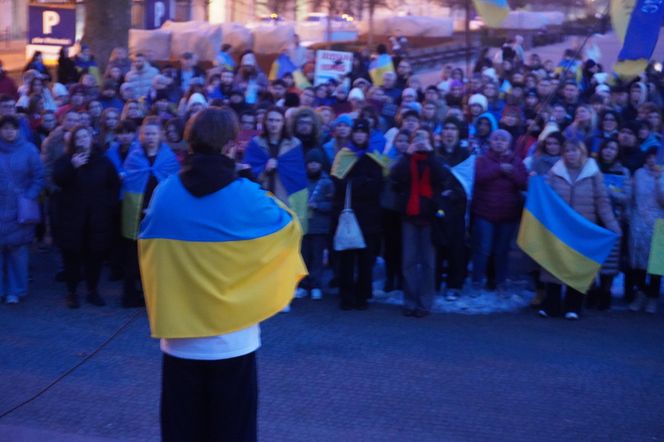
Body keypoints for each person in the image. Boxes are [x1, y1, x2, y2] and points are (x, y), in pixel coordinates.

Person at [138, 107, 305, 442]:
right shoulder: (247, 195)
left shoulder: (165, 192)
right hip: (233, 340)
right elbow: (291, 228)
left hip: (180, 340)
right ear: (231, 145)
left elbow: (148, 247)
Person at [539, 140, 621, 319]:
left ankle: (573, 306)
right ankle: (551, 304)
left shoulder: (593, 173)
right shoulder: (554, 172)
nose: (570, 154)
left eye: (574, 150)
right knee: (554, 265)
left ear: (582, 152)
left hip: (583, 229)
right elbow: (545, 198)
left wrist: (612, 225)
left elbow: (602, 201)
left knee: (578, 266)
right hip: (559, 228)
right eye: (567, 150)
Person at [52, 125, 120, 308]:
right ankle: (72, 292)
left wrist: (107, 205)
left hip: (97, 218)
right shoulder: (66, 160)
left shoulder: (103, 161)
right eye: (78, 138)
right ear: (73, 141)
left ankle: (92, 290)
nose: (82, 140)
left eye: (85, 136)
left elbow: (114, 185)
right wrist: (72, 168)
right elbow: (57, 180)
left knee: (95, 256)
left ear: (91, 139)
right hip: (72, 218)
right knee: (72, 257)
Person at [121, 118, 180, 307]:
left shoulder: (169, 158)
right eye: (147, 133)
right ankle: (130, 294)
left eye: (154, 133)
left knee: (157, 256)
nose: (151, 137)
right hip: (136, 211)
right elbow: (130, 182)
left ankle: (153, 295)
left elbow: (172, 187)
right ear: (142, 135)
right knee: (132, 256)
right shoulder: (134, 157)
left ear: (161, 135)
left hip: (159, 213)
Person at [390, 129, 448, 317]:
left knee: (428, 263)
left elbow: (441, 177)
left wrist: (430, 153)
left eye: (424, 138)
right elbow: (396, 177)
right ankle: (410, 301)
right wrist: (408, 154)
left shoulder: (436, 160)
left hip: (429, 217)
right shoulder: (406, 160)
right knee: (409, 261)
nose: (421, 141)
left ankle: (425, 303)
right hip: (409, 216)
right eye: (417, 138)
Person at [331, 119, 385, 310]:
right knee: (346, 256)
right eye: (357, 132)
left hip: (369, 215)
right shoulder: (343, 156)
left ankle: (362, 295)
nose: (360, 136)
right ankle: (346, 295)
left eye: (363, 133)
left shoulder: (374, 157)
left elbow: (378, 184)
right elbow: (338, 183)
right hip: (348, 212)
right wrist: (361, 183)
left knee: (365, 258)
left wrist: (357, 184)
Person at [471, 129, 527, 295]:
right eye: (496, 139)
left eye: (503, 140)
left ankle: (501, 282)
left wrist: (512, 172)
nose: (499, 142)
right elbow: (479, 177)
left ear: (508, 143)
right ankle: (476, 281)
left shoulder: (516, 161)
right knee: (483, 249)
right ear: (490, 142)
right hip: (485, 212)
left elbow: (523, 183)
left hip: (508, 214)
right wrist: (499, 169)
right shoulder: (482, 160)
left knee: (502, 251)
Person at [0, 115, 44, 304]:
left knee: (18, 252)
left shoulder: (29, 150)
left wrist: (28, 196)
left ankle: (17, 290)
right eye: (5, 128)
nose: (9, 131)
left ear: (18, 130)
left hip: (20, 209)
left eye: (13, 128)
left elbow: (39, 176)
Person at [589, 138, 631, 310]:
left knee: (610, 260)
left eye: (613, 149)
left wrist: (607, 192)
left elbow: (626, 197)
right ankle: (591, 290)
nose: (609, 151)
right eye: (606, 148)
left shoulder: (623, 171)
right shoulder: (591, 168)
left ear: (617, 152)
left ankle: (606, 291)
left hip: (613, 219)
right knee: (591, 257)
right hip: (592, 218)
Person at [628, 148, 664, 314]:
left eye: (655, 158)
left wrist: (659, 182)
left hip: (659, 223)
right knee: (637, 261)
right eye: (650, 157)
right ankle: (641, 292)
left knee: (656, 263)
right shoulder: (638, 174)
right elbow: (632, 196)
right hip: (638, 222)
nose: (652, 161)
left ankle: (653, 297)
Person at [296, 148, 334, 300]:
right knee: (303, 257)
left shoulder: (327, 182)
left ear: (321, 164)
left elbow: (332, 204)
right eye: (310, 163)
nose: (313, 166)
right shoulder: (300, 181)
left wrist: (319, 206)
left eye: (316, 163)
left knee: (317, 257)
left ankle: (316, 284)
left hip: (320, 226)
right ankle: (303, 284)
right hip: (303, 225)